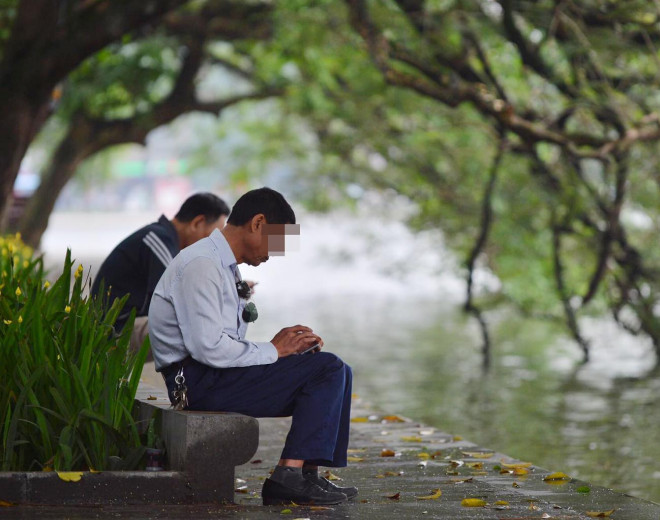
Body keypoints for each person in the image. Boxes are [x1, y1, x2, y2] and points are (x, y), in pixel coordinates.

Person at [148, 187, 357, 506]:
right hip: (196, 383)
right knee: (327, 369)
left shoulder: (222, 265)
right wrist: (275, 349)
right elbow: (208, 349)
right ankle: (287, 477)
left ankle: (306, 475)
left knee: (337, 370)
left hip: (211, 376)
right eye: (278, 241)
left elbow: (223, 345)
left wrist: (287, 351)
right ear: (258, 223)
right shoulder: (202, 264)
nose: (275, 253)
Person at [91, 192, 230, 353]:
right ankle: (190, 379)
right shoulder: (158, 240)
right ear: (197, 223)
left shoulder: (165, 240)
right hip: (111, 331)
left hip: (124, 325)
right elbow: (181, 298)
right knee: (196, 328)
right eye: (214, 235)